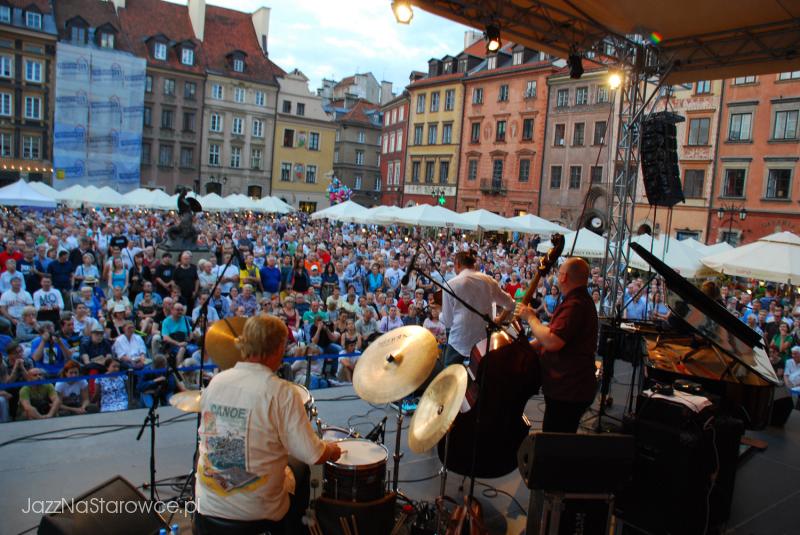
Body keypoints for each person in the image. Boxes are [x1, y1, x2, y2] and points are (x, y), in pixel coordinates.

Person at [194, 314, 341, 534]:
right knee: (301, 468)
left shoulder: (216, 382)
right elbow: (313, 454)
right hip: (256, 513)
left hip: (206, 508)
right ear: (278, 348)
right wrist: (331, 448)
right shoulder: (281, 392)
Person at [518, 257, 598, 433]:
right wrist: (527, 347)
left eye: (559, 272)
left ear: (563, 277)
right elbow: (553, 334)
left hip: (569, 389)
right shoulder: (576, 300)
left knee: (555, 441)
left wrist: (530, 318)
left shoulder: (575, 305)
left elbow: (553, 341)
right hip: (568, 388)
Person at [440, 251, 516, 366]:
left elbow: (448, 322)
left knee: (449, 378)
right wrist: (500, 319)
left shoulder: (450, 284)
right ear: (473, 264)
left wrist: (438, 311)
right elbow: (510, 304)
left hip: (459, 342)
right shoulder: (489, 281)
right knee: (480, 378)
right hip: (482, 342)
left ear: (457, 264)